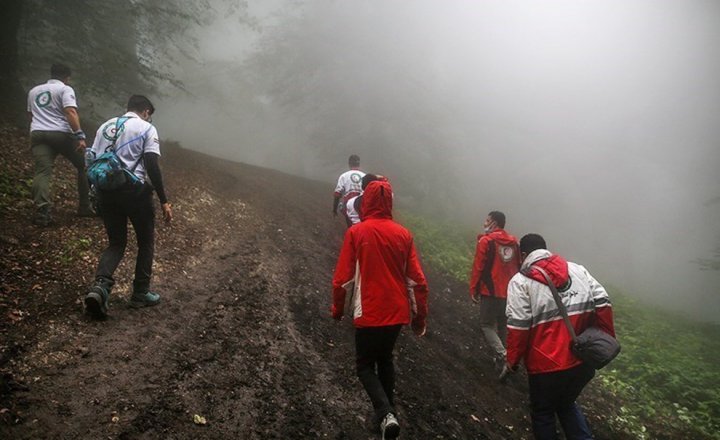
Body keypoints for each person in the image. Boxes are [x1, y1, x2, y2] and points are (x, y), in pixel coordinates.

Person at [331, 179, 428, 439]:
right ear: (390, 202)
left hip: (369, 310)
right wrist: (419, 319)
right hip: (397, 312)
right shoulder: (404, 234)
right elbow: (417, 281)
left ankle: (385, 413)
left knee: (364, 366)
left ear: (367, 201)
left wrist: (337, 309)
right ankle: (386, 416)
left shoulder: (357, 233)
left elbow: (342, 279)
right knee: (384, 359)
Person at [505, 233, 616, 440]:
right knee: (566, 403)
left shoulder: (520, 283)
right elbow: (603, 302)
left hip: (545, 367)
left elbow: (518, 328)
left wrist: (512, 361)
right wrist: (604, 337)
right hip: (583, 359)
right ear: (545, 249)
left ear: (523, 255)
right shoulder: (577, 270)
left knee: (543, 412)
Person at [84, 95, 173, 319]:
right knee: (145, 241)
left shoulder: (106, 125)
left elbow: (92, 160)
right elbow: (152, 165)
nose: (149, 118)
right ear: (145, 111)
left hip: (106, 191)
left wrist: (93, 192)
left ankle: (100, 287)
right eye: (149, 115)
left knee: (116, 242)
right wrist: (164, 199)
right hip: (135, 193)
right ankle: (140, 294)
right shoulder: (146, 129)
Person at [27, 63, 91, 225]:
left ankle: (42, 211)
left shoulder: (34, 91)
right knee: (84, 165)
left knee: (42, 172)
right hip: (60, 133)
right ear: (66, 77)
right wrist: (79, 135)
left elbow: (31, 114)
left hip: (38, 133)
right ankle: (85, 207)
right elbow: (70, 111)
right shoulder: (65, 89)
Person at [468, 211, 520, 370]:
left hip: (490, 290)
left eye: (487, 220)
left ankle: (503, 356)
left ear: (494, 223)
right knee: (503, 325)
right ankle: (500, 365)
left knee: (486, 325)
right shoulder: (515, 244)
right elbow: (519, 266)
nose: (484, 223)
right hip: (510, 292)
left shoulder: (486, 241)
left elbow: (479, 267)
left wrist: (474, 289)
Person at [333, 154, 365, 227]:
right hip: (362, 204)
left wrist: (334, 209)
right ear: (359, 164)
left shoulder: (344, 176)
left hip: (349, 204)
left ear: (349, 163)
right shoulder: (364, 175)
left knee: (351, 226)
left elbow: (337, 194)